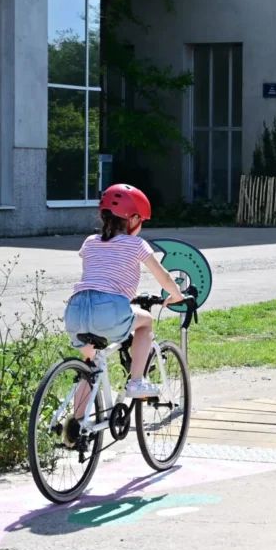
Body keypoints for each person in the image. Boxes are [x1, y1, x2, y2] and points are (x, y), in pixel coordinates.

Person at [63, 184, 183, 434]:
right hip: (109, 308)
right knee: (146, 321)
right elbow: (162, 276)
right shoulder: (136, 244)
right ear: (134, 219)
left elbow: (98, 275)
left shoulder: (90, 242)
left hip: (75, 309)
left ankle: (77, 425)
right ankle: (137, 381)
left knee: (91, 363)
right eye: (142, 221)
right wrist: (176, 295)